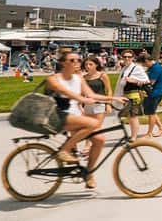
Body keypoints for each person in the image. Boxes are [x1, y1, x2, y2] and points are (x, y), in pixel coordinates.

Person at [47, 51, 118, 188]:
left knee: (100, 140)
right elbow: (68, 93)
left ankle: (88, 173)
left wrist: (113, 99)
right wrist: (83, 99)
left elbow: (92, 94)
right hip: (57, 116)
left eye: (78, 60)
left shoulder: (79, 79)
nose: (77, 63)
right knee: (93, 123)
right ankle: (64, 150)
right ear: (63, 63)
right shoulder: (54, 79)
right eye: (72, 60)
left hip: (74, 116)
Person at [113, 50, 151, 141]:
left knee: (133, 117)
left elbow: (146, 81)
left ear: (133, 58)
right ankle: (133, 135)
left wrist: (132, 80)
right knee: (130, 117)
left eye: (129, 57)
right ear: (122, 58)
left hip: (133, 95)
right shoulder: (124, 68)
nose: (127, 58)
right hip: (125, 95)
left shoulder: (137, 68)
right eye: (125, 57)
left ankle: (134, 137)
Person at [139, 52, 162, 138]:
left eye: (144, 63)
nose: (144, 65)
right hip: (152, 93)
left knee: (151, 113)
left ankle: (149, 133)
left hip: (154, 93)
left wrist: (139, 83)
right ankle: (161, 128)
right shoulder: (152, 68)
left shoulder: (156, 68)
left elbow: (151, 82)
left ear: (147, 60)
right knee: (152, 112)